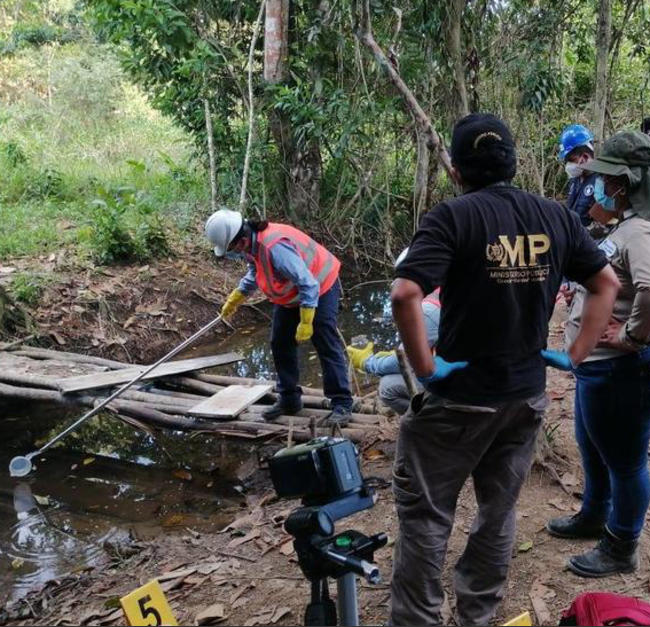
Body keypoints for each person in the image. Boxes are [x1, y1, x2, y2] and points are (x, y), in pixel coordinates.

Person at [388, 113, 619, 625]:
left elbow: (406, 294)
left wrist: (426, 367)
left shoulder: (451, 217)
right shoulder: (555, 215)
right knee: (498, 514)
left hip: (459, 398)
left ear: (456, 169)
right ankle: (479, 615)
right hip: (523, 396)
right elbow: (606, 283)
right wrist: (577, 353)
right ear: (512, 162)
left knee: (427, 515)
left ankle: (419, 620)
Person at [544, 131, 650, 577]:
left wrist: (630, 337)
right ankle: (594, 514)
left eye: (607, 178)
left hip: (629, 367)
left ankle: (621, 545)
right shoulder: (626, 225)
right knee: (593, 443)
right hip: (604, 370)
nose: (599, 185)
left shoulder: (643, 230)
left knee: (625, 460)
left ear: (625, 184)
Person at [204, 210, 354, 424]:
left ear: (242, 240)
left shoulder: (275, 247)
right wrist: (238, 296)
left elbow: (308, 284)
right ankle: (290, 399)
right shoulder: (250, 246)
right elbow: (257, 271)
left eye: (230, 248)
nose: (231, 253)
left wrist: (306, 320)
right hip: (293, 293)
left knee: (325, 341)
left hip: (320, 286)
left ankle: (342, 403)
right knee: (280, 342)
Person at [346, 287, 441, 414]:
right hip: (469, 377)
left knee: (387, 386)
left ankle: (434, 419)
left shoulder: (428, 312)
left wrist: (367, 362)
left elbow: (401, 364)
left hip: (459, 389)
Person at [559, 124, 599, 226]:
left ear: (585, 157)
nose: (568, 165)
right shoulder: (574, 180)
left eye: (571, 160)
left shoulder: (602, 181)